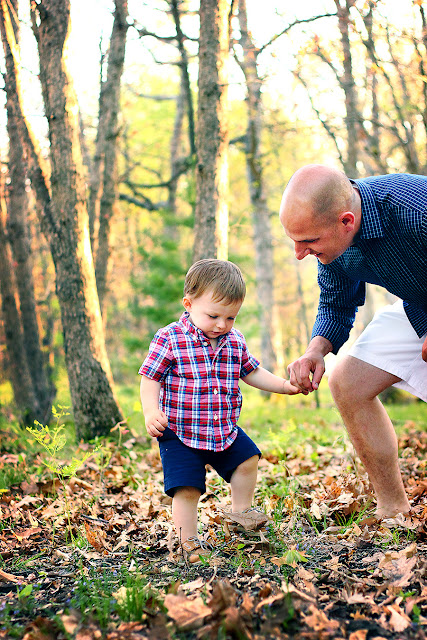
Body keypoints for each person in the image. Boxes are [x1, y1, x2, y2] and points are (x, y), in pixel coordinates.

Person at [279, 164, 427, 519]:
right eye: (294, 240)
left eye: (308, 241)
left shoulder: (414, 208)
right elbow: (336, 302)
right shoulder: (333, 245)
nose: (299, 253)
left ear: (346, 221)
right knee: (347, 381)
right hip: (418, 305)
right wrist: (315, 350)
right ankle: (393, 510)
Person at [139, 259, 300, 562]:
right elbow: (150, 378)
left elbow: (252, 372)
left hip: (223, 429)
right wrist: (150, 411)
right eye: (213, 315)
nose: (221, 325)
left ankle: (241, 515)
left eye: (230, 317)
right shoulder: (170, 337)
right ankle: (189, 543)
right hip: (180, 433)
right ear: (189, 304)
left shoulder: (234, 340)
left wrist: (283, 385)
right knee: (187, 489)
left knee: (248, 459)